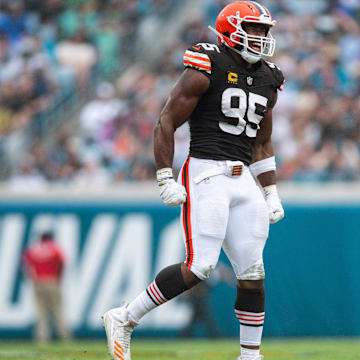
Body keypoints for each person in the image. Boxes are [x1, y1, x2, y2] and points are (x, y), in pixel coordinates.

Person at [102, 2, 285, 360]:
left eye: (265, 30)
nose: (262, 37)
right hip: (206, 171)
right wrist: (164, 176)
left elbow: (262, 142)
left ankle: (251, 356)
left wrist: (272, 191)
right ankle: (125, 316)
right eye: (254, 28)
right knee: (199, 265)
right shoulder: (208, 63)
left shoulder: (269, 78)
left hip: (243, 178)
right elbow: (166, 120)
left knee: (253, 269)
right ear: (231, 29)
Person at [22, 231, 70, 343]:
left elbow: (25, 265)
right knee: (58, 309)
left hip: (38, 281)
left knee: (40, 311)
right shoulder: (54, 248)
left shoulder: (33, 249)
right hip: (52, 280)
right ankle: (64, 336)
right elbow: (62, 263)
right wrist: (58, 278)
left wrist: (32, 278)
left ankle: (42, 337)